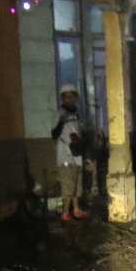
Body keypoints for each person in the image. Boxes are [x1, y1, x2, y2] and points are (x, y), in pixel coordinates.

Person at [52, 85, 86, 221]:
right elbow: (54, 134)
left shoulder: (78, 114)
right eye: (65, 97)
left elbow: (82, 132)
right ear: (62, 99)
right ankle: (65, 211)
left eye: (71, 96)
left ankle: (76, 209)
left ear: (76, 98)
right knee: (68, 184)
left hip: (77, 154)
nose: (69, 99)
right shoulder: (58, 114)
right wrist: (60, 123)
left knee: (77, 184)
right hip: (65, 155)